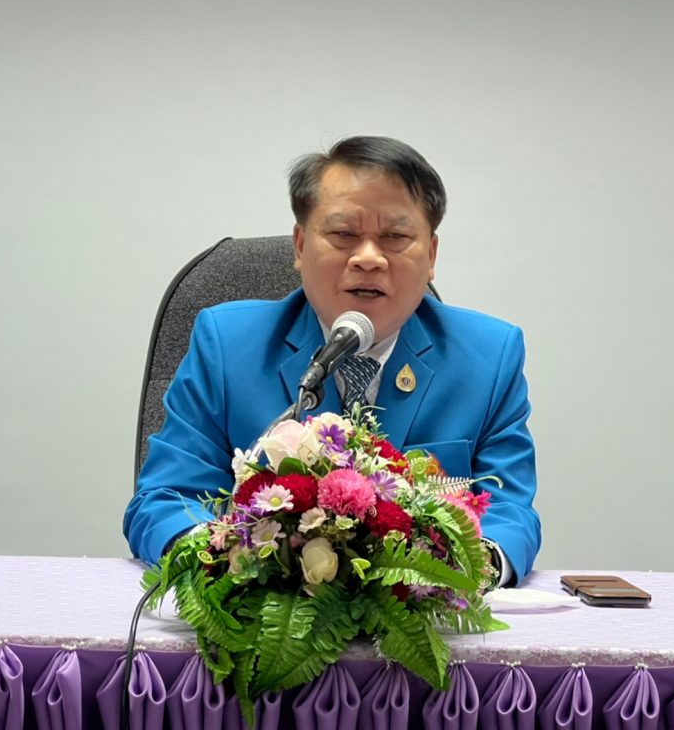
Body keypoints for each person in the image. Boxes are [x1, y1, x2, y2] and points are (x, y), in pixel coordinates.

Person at [124, 136, 540, 584]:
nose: (369, 258)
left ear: (431, 255)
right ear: (300, 245)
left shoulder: (490, 355)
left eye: (395, 237)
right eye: (343, 235)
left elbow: (509, 513)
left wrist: (465, 573)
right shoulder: (227, 344)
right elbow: (165, 499)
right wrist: (228, 564)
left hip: (419, 613)